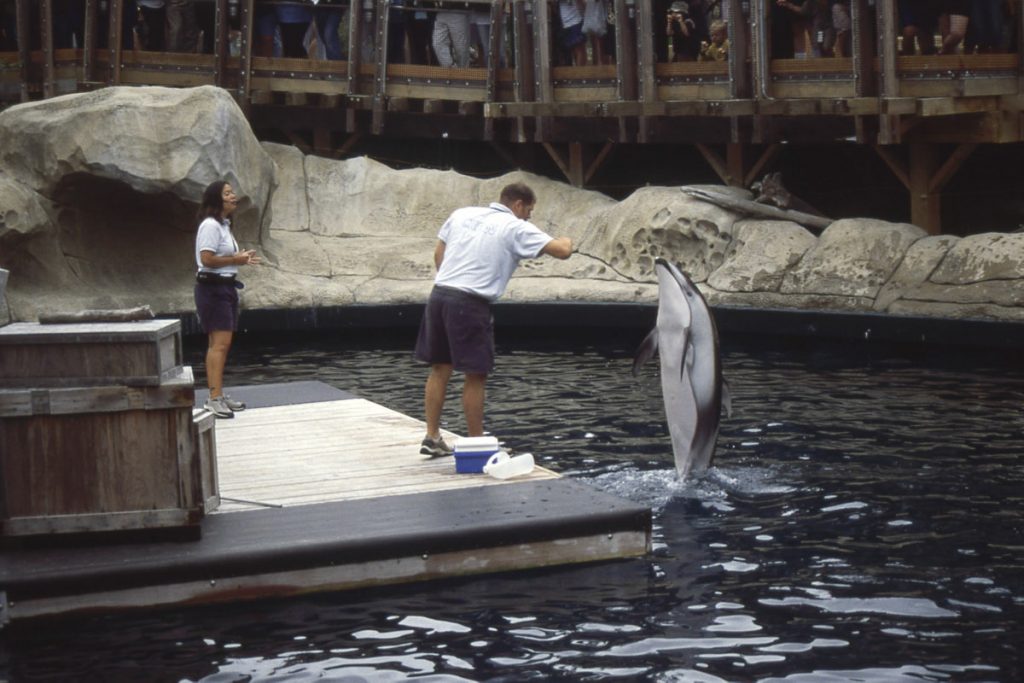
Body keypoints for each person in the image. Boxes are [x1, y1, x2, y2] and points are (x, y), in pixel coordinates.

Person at [413, 183, 573, 456]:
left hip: (439, 295)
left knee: (440, 368)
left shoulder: (462, 214)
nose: (528, 218)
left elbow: (439, 254)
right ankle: (478, 446)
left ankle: (432, 436)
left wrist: (453, 280)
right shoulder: (514, 226)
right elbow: (561, 250)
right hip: (470, 303)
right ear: (518, 205)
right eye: (529, 212)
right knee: (476, 375)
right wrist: (568, 240)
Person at [194, 180, 261, 419]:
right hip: (213, 289)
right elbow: (207, 259)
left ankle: (219, 394)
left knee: (223, 344)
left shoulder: (224, 225)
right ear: (216, 199)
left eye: (233, 192)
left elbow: (221, 256)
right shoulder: (210, 225)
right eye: (228, 193)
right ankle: (213, 398)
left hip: (226, 288)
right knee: (218, 344)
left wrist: (239, 257)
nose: (234, 196)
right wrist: (236, 260)